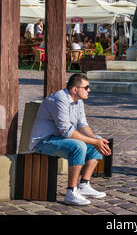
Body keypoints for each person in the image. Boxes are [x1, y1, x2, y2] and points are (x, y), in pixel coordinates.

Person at [29, 73, 111, 206]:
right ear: (75, 89)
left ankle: (84, 184)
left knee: (99, 140)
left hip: (60, 139)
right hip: (43, 142)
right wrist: (93, 141)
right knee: (79, 146)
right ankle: (70, 192)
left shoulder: (78, 101)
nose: (89, 90)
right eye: (86, 87)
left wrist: (97, 140)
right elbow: (66, 130)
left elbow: (83, 125)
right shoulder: (60, 99)